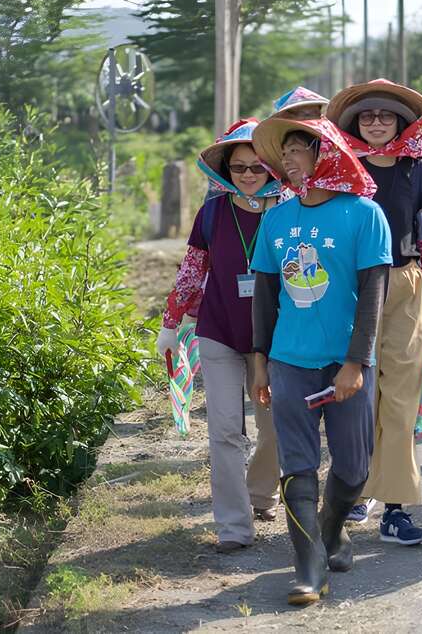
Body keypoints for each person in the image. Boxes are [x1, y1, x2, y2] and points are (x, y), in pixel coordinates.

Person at [250, 115, 391, 605]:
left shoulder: (365, 214)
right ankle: (309, 570)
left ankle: (331, 530)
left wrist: (356, 362)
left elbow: (373, 295)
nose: (287, 159)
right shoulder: (275, 218)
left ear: (325, 154)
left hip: (346, 363)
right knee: (297, 465)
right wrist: (260, 360)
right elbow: (264, 296)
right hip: (289, 360)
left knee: (353, 469)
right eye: (284, 152)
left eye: (298, 150)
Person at [326, 79, 422, 543]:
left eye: (386, 116)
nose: (376, 123)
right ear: (354, 123)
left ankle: (395, 509)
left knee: (401, 398)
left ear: (401, 123)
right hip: (353, 288)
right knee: (359, 395)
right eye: (367, 116)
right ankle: (355, 490)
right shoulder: (341, 168)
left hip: (406, 285)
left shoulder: (417, 170)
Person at [156, 119, 284, 553]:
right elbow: (192, 271)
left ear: (272, 168)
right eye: (238, 167)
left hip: (275, 339)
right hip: (219, 331)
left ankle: (261, 493)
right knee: (225, 430)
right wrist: (170, 324)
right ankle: (233, 525)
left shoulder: (289, 212)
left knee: (276, 427)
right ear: (225, 170)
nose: (248, 175)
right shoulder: (211, 213)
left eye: (257, 167)